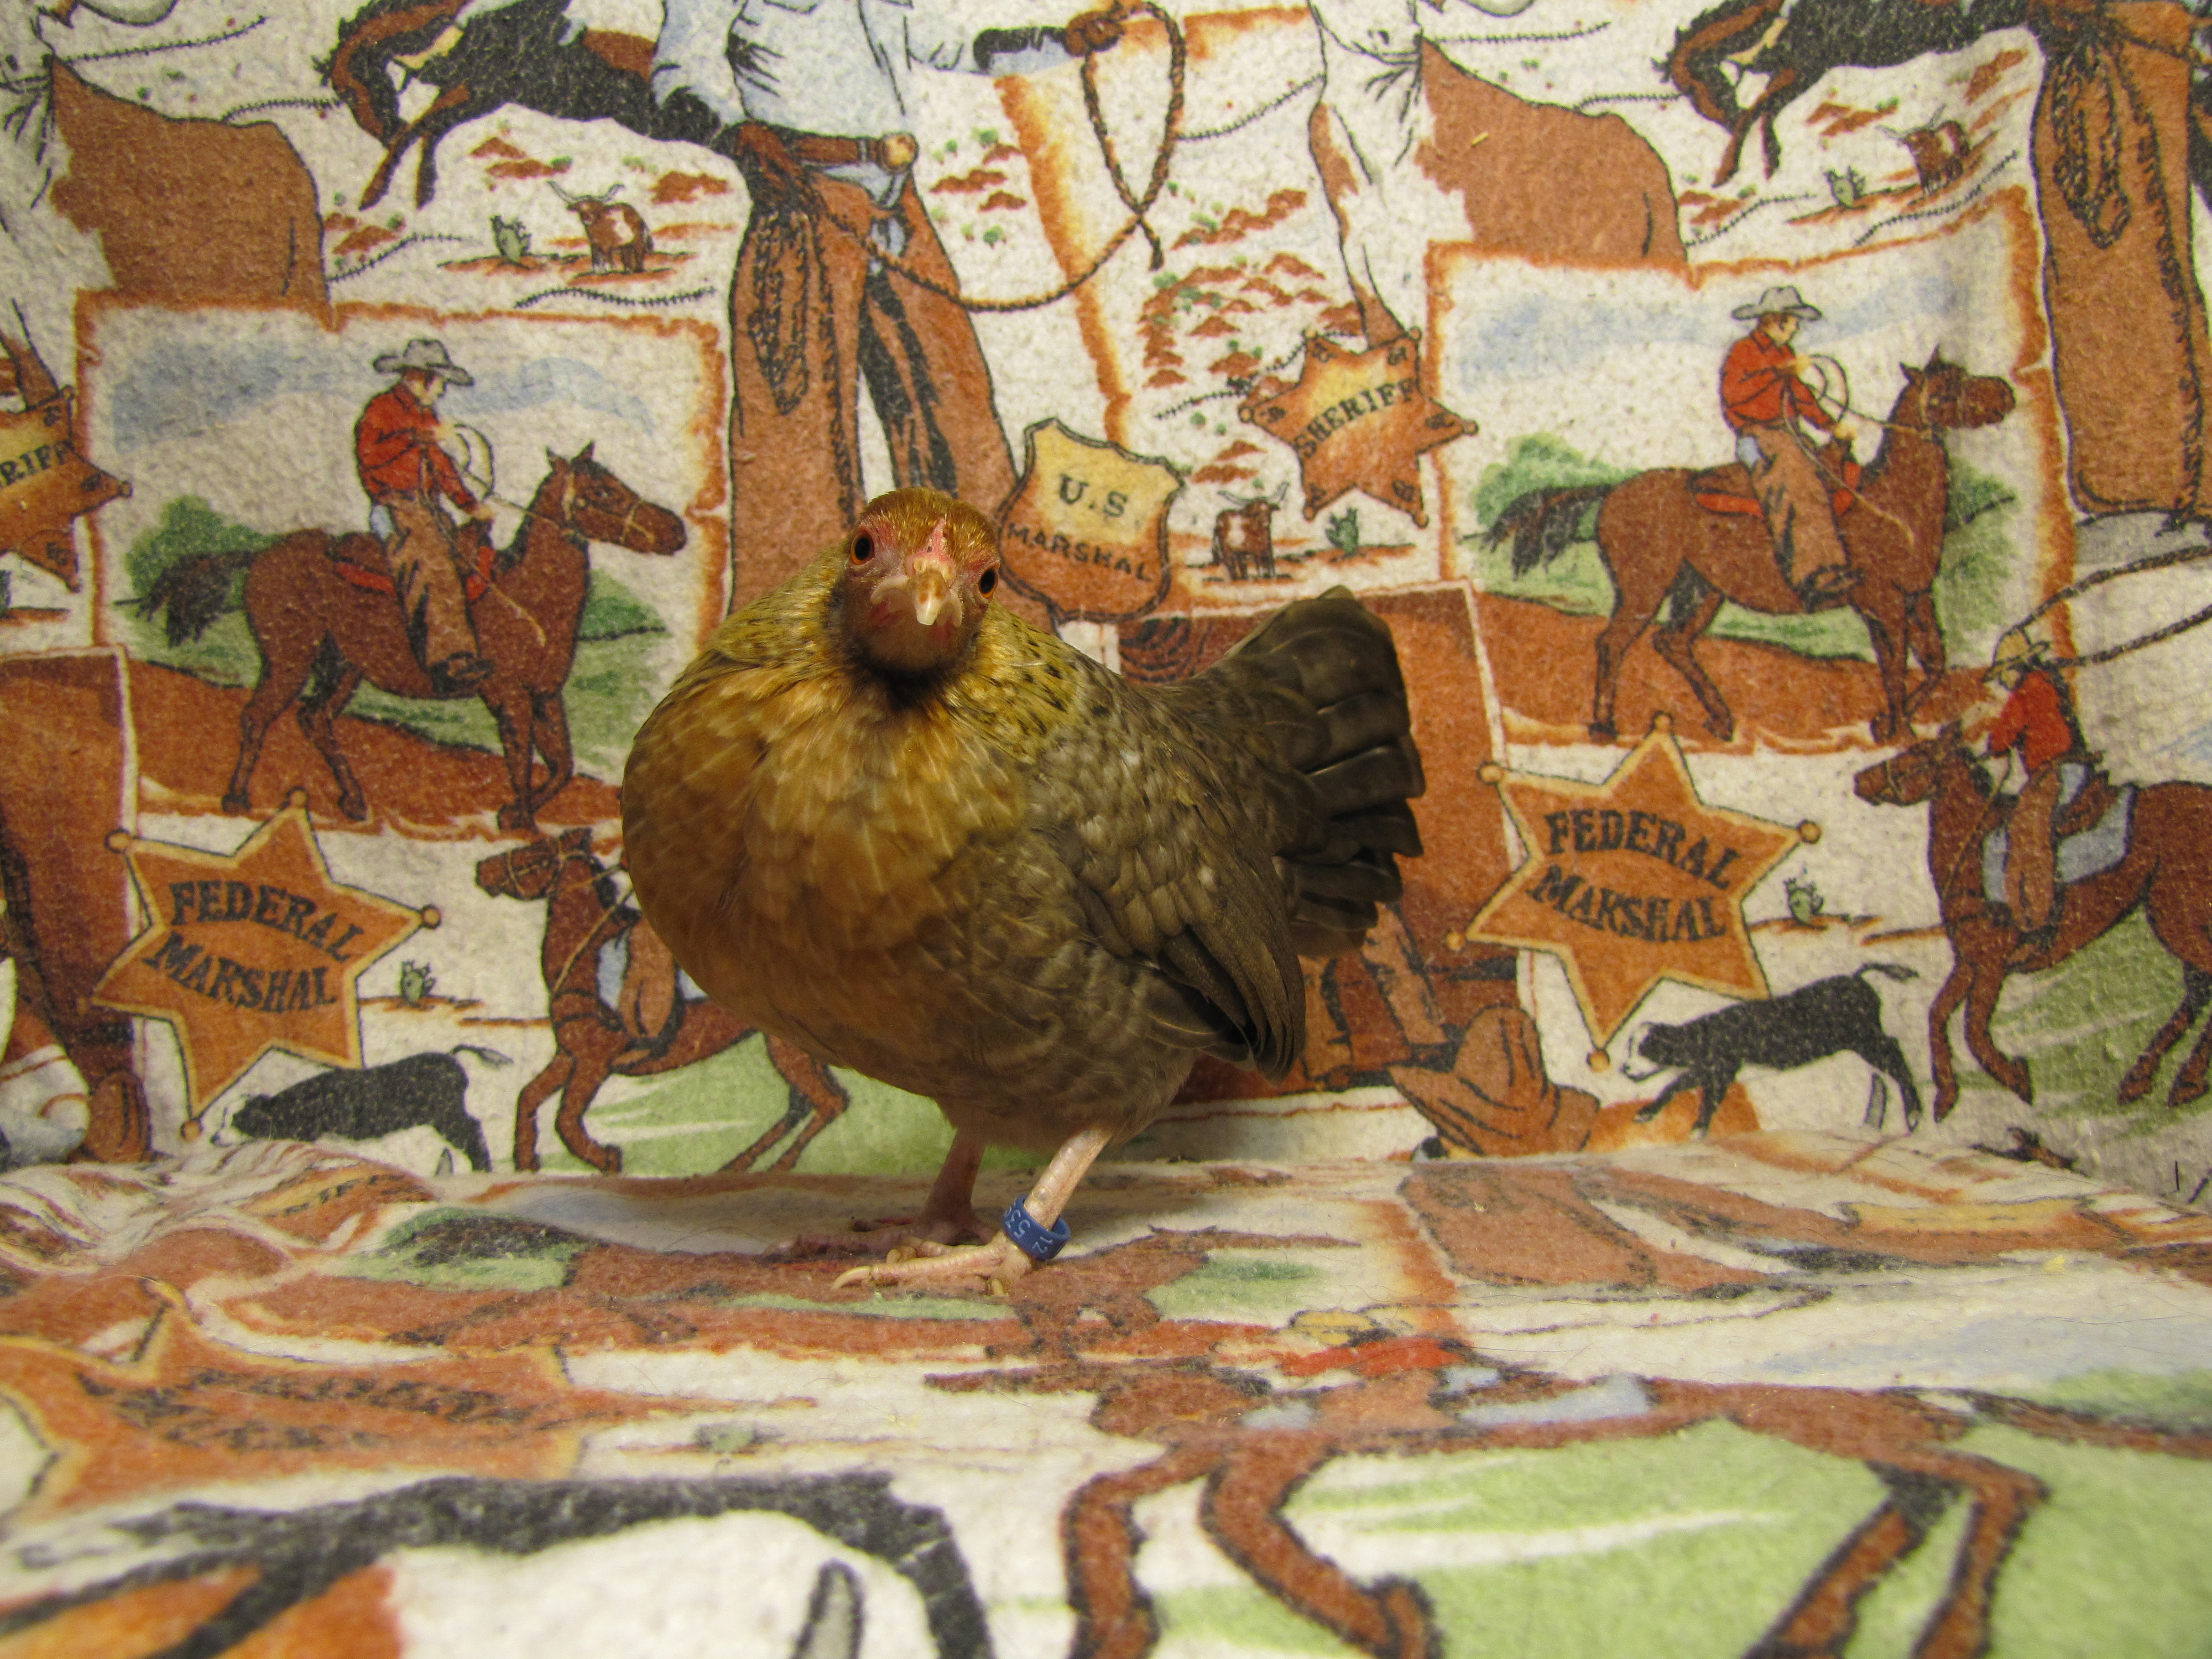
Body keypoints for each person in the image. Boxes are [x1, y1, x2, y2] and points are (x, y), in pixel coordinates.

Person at [649, 0, 1125, 601]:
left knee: (954, 401)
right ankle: (796, 631)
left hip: (897, 202)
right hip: (803, 199)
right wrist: (737, 135)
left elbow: (958, 47)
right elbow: (675, 78)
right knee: (798, 430)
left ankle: (992, 610)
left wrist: (1064, 41)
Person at [354, 338, 494, 693]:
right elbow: (370, 457)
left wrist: (469, 505)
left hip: (430, 511)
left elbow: (443, 467)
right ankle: (451, 659)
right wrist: (417, 436)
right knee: (433, 563)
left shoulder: (426, 416)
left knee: (467, 551)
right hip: (396, 508)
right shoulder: (382, 409)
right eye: (440, 383)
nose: (442, 391)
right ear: (420, 378)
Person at [1719, 284, 1860, 608]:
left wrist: (1831, 426)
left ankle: (1833, 561)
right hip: (1758, 437)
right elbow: (1734, 394)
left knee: (1829, 467)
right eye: (1794, 323)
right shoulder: (1743, 351)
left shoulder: (1784, 354)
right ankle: (1813, 574)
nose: (1796, 329)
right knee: (1796, 478)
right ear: (1777, 321)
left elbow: (1801, 396)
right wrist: (1779, 372)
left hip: (1790, 435)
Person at [1984, 628, 2086, 937]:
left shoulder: (2027, 690)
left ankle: (2032, 916)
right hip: (2072, 768)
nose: (2003, 681)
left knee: (2026, 835)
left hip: (2055, 774)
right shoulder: (2048, 681)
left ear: (2016, 668)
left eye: (2004, 673)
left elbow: (2000, 740)